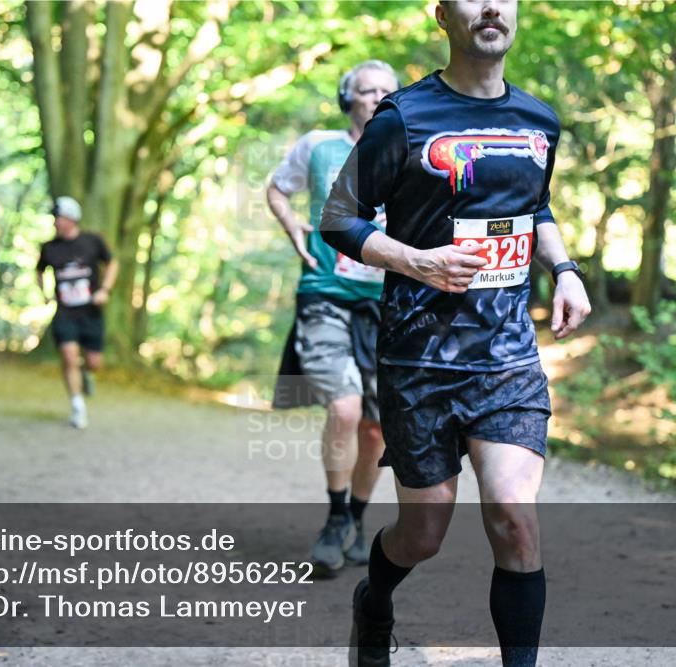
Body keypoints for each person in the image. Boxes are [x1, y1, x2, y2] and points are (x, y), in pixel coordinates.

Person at [320, 2, 591, 665]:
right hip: (420, 357)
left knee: (514, 516)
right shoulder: (405, 118)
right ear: (443, 14)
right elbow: (337, 217)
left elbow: (534, 204)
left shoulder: (538, 120)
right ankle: (374, 600)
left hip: (505, 357)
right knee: (424, 533)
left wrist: (565, 268)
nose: (493, 6)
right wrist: (418, 260)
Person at [267, 60, 400, 576]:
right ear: (349, 98)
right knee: (344, 411)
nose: (374, 97)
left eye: (386, 91)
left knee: (375, 429)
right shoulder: (318, 146)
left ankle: (359, 522)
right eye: (365, 90)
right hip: (324, 291)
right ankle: (335, 515)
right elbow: (278, 189)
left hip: (386, 303)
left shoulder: (412, 151)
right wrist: (291, 229)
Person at [36, 196, 118, 429]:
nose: (55, 223)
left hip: (91, 312)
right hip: (65, 312)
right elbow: (39, 271)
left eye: (58, 218)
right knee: (69, 357)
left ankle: (87, 373)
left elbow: (112, 263)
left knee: (94, 363)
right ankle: (77, 406)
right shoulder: (49, 248)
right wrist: (44, 293)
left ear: (71, 219)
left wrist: (105, 290)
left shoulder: (92, 241)